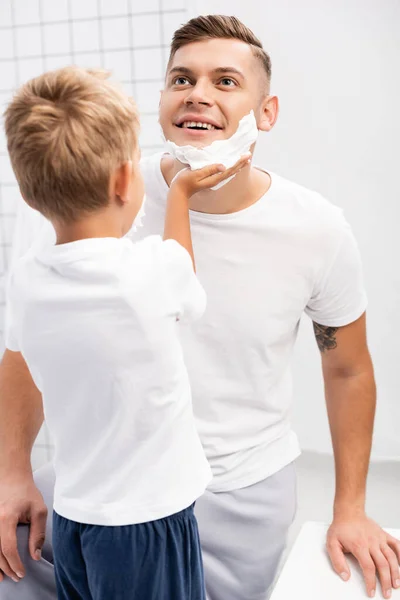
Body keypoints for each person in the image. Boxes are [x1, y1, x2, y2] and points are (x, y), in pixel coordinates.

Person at [0, 14, 399, 600]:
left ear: (267, 114)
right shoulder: (89, 196)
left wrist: (351, 508)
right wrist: (12, 472)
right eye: (182, 79)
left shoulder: (316, 229)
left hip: (238, 495)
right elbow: (25, 349)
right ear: (162, 100)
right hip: (101, 488)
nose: (199, 93)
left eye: (226, 82)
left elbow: (347, 367)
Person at [1, 65, 248, 599]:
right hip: (147, 525)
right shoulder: (149, 274)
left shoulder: (27, 281)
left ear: (27, 194)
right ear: (122, 181)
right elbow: (183, 269)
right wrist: (179, 196)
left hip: (74, 519)